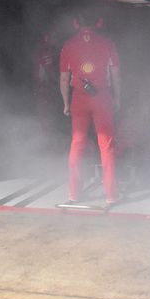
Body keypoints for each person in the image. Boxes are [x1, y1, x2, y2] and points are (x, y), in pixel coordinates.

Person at [59, 11, 121, 205]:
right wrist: (117, 98)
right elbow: (116, 75)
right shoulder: (108, 44)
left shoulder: (68, 45)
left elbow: (64, 78)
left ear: (76, 23)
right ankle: (111, 195)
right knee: (107, 145)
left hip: (79, 98)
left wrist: (66, 103)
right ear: (99, 22)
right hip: (101, 98)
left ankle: (73, 193)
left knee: (77, 144)